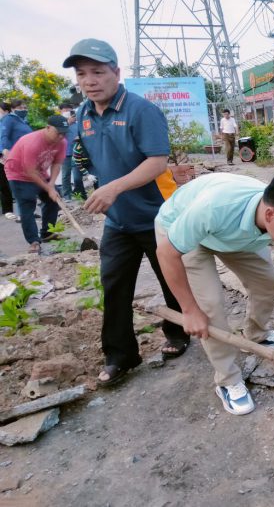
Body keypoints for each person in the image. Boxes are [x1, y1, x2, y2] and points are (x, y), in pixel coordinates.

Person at [155, 171, 274, 415]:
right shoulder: (216, 206)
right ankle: (227, 379)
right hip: (181, 232)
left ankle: (255, 333)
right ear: (270, 215)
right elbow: (167, 253)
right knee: (209, 305)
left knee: (269, 281)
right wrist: (189, 310)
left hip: (231, 237)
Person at [62, 38, 190, 386]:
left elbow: (157, 161)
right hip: (118, 221)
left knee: (170, 280)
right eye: (82, 74)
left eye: (98, 72)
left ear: (116, 73)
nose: (90, 80)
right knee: (114, 286)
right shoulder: (84, 115)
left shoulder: (139, 110)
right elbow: (93, 158)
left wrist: (114, 187)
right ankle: (121, 355)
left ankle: (178, 334)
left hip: (157, 215)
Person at [5, 116, 68, 253]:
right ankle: (33, 241)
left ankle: (47, 233)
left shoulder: (62, 142)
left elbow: (57, 164)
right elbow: (30, 171)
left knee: (54, 199)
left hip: (39, 172)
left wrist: (51, 185)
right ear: (48, 128)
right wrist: (48, 188)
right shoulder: (32, 141)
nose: (61, 136)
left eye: (64, 133)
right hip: (18, 173)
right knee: (27, 205)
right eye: (58, 132)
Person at [1, 99, 33, 221]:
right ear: (13, 109)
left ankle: (27, 213)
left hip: (27, 156)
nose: (24, 110)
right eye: (20, 108)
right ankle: (22, 214)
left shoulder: (23, 121)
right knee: (20, 185)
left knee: (27, 185)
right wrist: (5, 150)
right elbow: (4, 135)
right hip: (15, 155)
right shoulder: (9, 119)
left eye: (25, 107)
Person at [59, 105, 86, 200]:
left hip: (77, 152)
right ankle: (67, 196)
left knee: (77, 176)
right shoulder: (60, 122)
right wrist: (68, 122)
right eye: (66, 110)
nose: (68, 112)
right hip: (65, 153)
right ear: (61, 111)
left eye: (70, 111)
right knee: (66, 175)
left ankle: (80, 194)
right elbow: (58, 135)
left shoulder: (78, 122)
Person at [0, 102, 17, 221]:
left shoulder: (9, 122)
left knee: (5, 184)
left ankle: (8, 210)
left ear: (6, 111)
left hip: (6, 155)